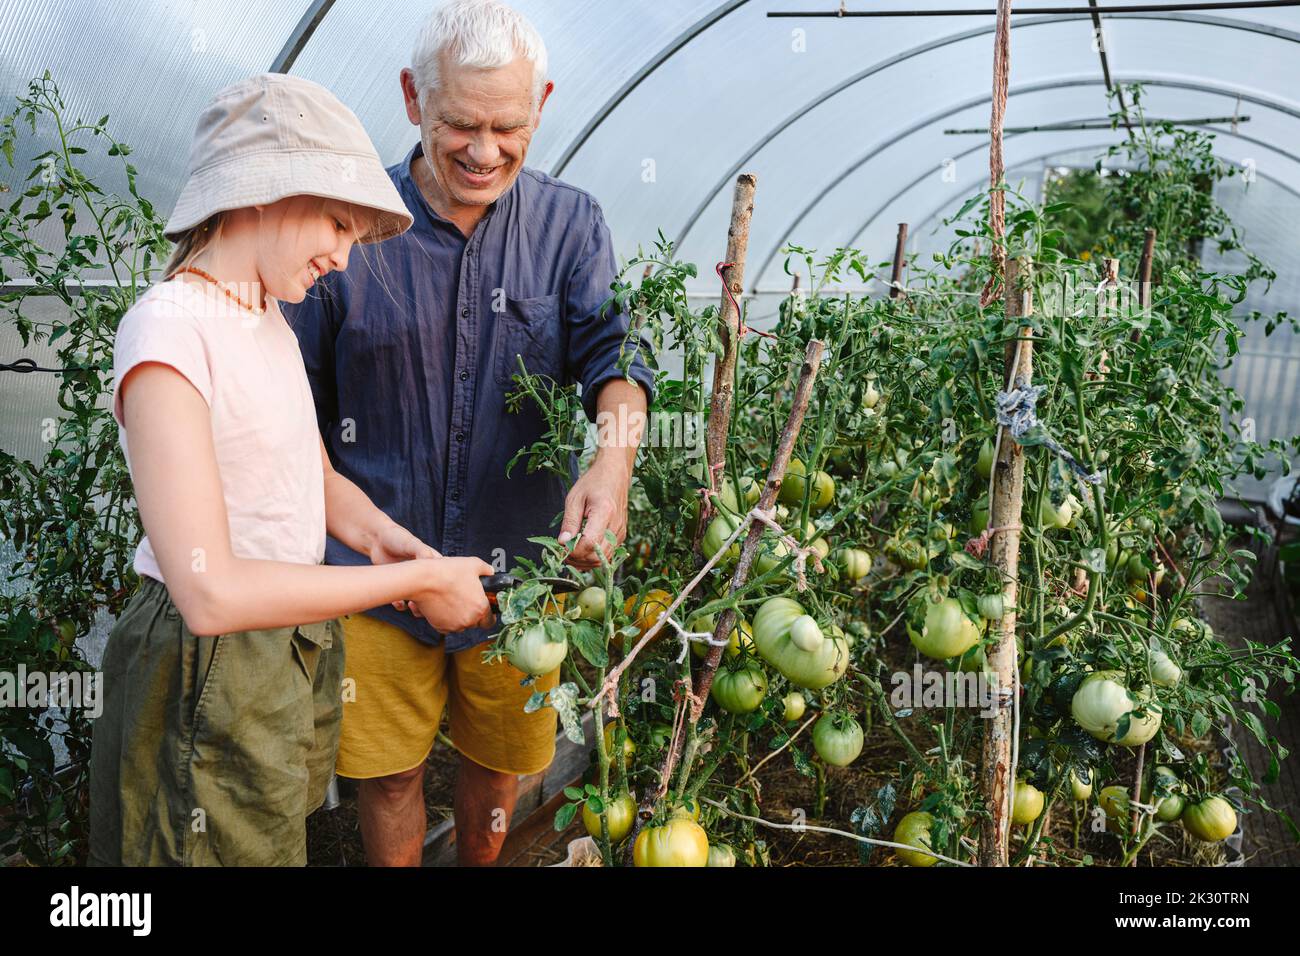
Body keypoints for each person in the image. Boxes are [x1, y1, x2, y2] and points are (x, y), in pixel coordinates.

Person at [88, 73, 496, 867]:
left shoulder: (265, 317)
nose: (343, 258)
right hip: (206, 665)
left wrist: (404, 551)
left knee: (267, 843)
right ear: (263, 192)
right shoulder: (170, 332)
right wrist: (408, 587)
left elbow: (315, 480)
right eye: (339, 223)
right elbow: (210, 593)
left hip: (284, 641)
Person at [285, 0, 655, 866]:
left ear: (543, 105)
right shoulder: (350, 231)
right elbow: (292, 403)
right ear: (414, 98)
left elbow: (617, 353)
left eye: (507, 126)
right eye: (460, 123)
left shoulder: (571, 227)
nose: (484, 152)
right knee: (387, 775)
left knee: (497, 769)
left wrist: (615, 461)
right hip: (374, 575)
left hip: (518, 569)